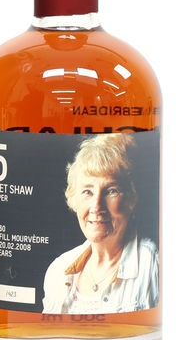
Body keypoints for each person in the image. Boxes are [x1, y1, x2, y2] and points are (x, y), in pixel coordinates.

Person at [42, 133, 158, 314]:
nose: (97, 206)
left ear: (131, 198)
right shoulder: (58, 271)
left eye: (111, 191)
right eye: (87, 192)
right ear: (74, 199)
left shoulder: (153, 265)